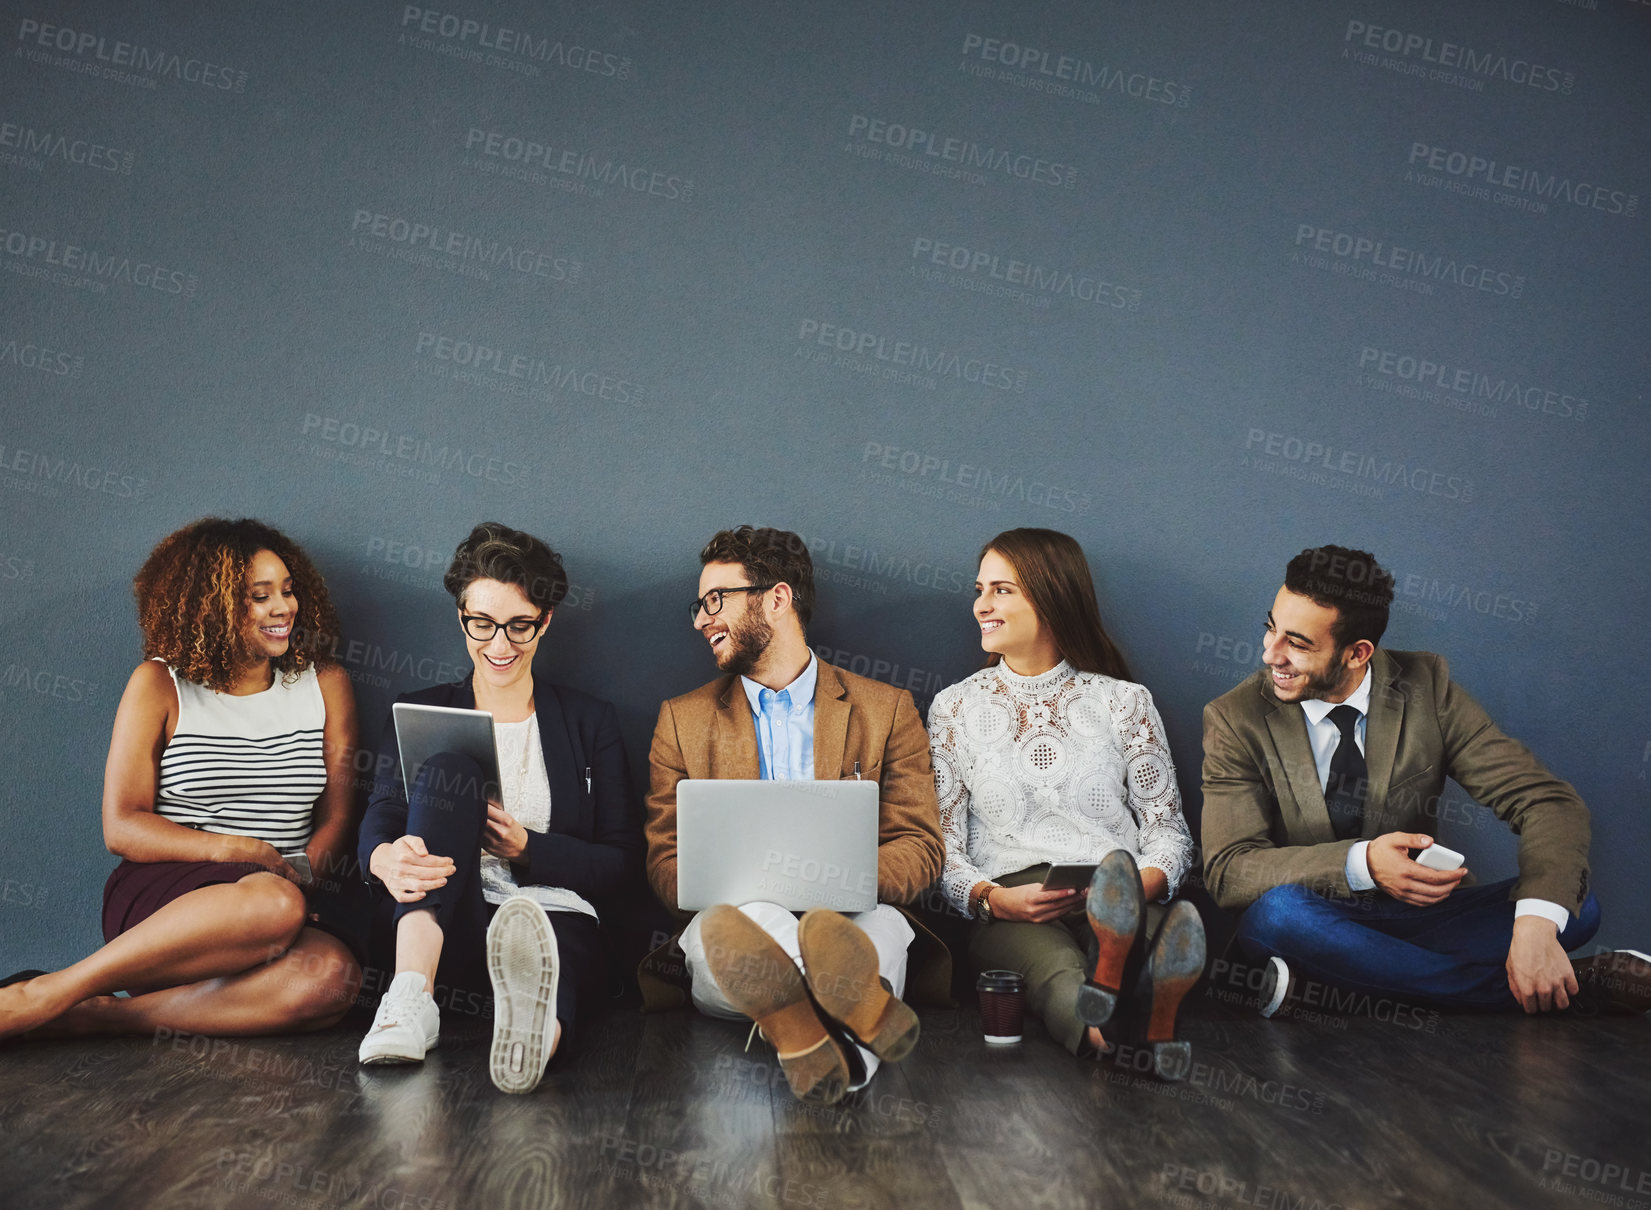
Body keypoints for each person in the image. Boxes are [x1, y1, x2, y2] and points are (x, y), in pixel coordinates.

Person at [1201, 544, 1650, 1018]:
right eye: (1271, 627)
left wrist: (1535, 931)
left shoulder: (1425, 688)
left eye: (1298, 643)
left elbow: (1548, 802)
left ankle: (1335, 988)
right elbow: (1229, 871)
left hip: (1421, 922)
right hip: (1311, 920)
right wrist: (1364, 863)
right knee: (1281, 914)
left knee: (1574, 906)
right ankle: (1569, 991)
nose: (1270, 653)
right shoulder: (1237, 717)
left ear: (1358, 654)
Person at [0, 518, 361, 1041]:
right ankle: (51, 991)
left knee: (332, 978)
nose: (283, 608)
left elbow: (338, 813)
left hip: (286, 896)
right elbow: (121, 826)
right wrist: (239, 851)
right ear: (210, 607)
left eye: (287, 590)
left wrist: (304, 874)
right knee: (270, 904)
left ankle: (98, 1016)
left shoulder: (325, 684)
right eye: (259, 597)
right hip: (171, 901)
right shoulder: (158, 684)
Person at [642, 526, 945, 1105]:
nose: (703, 620)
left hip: (857, 911)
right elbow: (665, 860)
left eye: (716, 601)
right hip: (736, 922)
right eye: (699, 607)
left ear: (776, 599)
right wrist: (759, 887)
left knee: (876, 929)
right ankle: (857, 1018)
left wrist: (836, 880)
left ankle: (801, 1028)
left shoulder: (886, 710)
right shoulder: (681, 720)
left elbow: (920, 845)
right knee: (730, 931)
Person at [356, 522, 641, 1093]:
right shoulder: (421, 709)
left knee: (548, 948)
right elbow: (382, 816)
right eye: (481, 624)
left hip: (555, 923)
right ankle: (410, 997)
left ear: (547, 620)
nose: (500, 645)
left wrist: (528, 849)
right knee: (449, 769)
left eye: (519, 626)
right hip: (453, 925)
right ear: (461, 615)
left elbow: (621, 861)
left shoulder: (590, 722)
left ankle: (534, 1039)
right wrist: (383, 859)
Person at [928, 528, 1208, 1080]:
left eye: (1002, 590)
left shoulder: (1123, 701)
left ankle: (1127, 994)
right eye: (980, 588)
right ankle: (1132, 1031)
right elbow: (942, 845)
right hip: (1014, 901)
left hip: (1119, 886)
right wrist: (991, 899)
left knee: (1153, 942)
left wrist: (1132, 890)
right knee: (1057, 971)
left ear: (1052, 597)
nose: (982, 604)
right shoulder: (953, 708)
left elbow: (1169, 833)